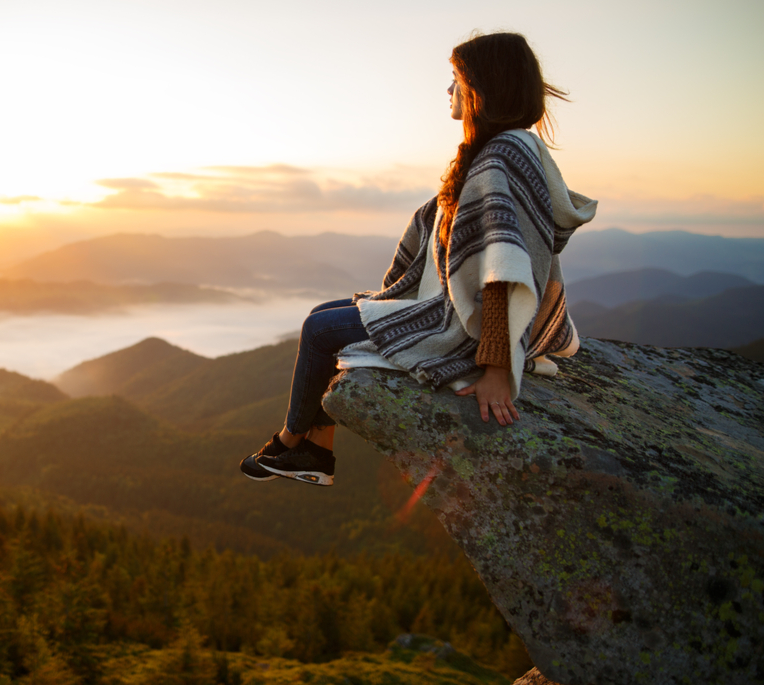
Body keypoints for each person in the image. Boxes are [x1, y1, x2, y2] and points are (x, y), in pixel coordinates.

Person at [239, 32, 596, 486]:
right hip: (466, 313)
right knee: (323, 314)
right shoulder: (507, 149)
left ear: (481, 90)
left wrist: (496, 368)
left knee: (319, 329)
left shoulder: (500, 158)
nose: (448, 90)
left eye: (456, 80)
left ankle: (291, 442)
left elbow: (501, 269)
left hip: (465, 326)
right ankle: (316, 449)